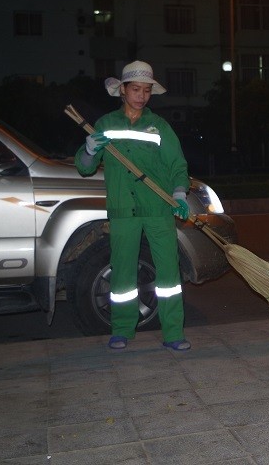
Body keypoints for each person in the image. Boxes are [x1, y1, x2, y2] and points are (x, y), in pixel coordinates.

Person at [75, 61, 193, 351]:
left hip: (158, 208)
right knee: (123, 272)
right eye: (136, 89)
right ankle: (121, 331)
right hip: (122, 209)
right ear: (123, 90)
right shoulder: (105, 125)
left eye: (146, 90)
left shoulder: (160, 126)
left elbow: (177, 165)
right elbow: (84, 167)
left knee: (169, 275)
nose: (141, 95)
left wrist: (179, 195)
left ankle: (173, 333)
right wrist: (90, 149)